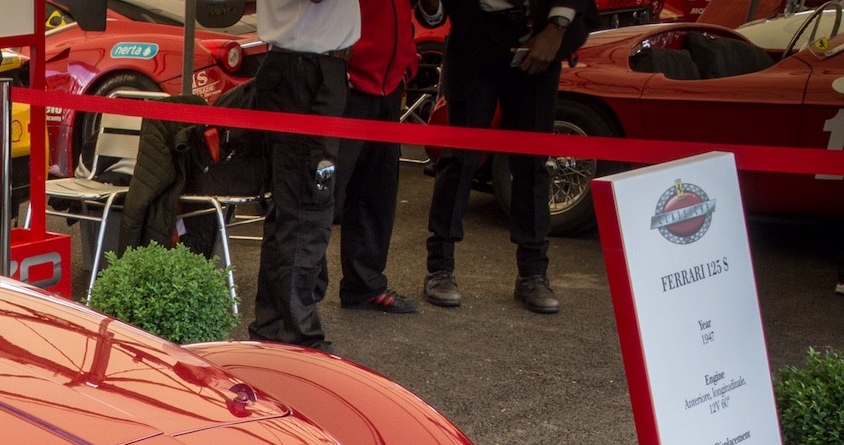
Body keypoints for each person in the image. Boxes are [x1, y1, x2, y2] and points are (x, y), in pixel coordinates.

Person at [424, 0, 594, 314]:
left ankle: (533, 273)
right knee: (459, 159)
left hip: (537, 36)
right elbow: (432, 13)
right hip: (475, 38)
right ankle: (439, 268)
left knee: (531, 163)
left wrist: (557, 28)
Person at [246, 0, 360, 350]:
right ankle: (297, 337)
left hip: (307, 67)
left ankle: (276, 325)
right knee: (306, 208)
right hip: (307, 71)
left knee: (294, 207)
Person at [328, 0, 443, 314]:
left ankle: (364, 287)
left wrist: (406, 67)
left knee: (376, 192)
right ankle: (301, 298)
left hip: (388, 84)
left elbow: (425, 13)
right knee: (324, 195)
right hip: (347, 80)